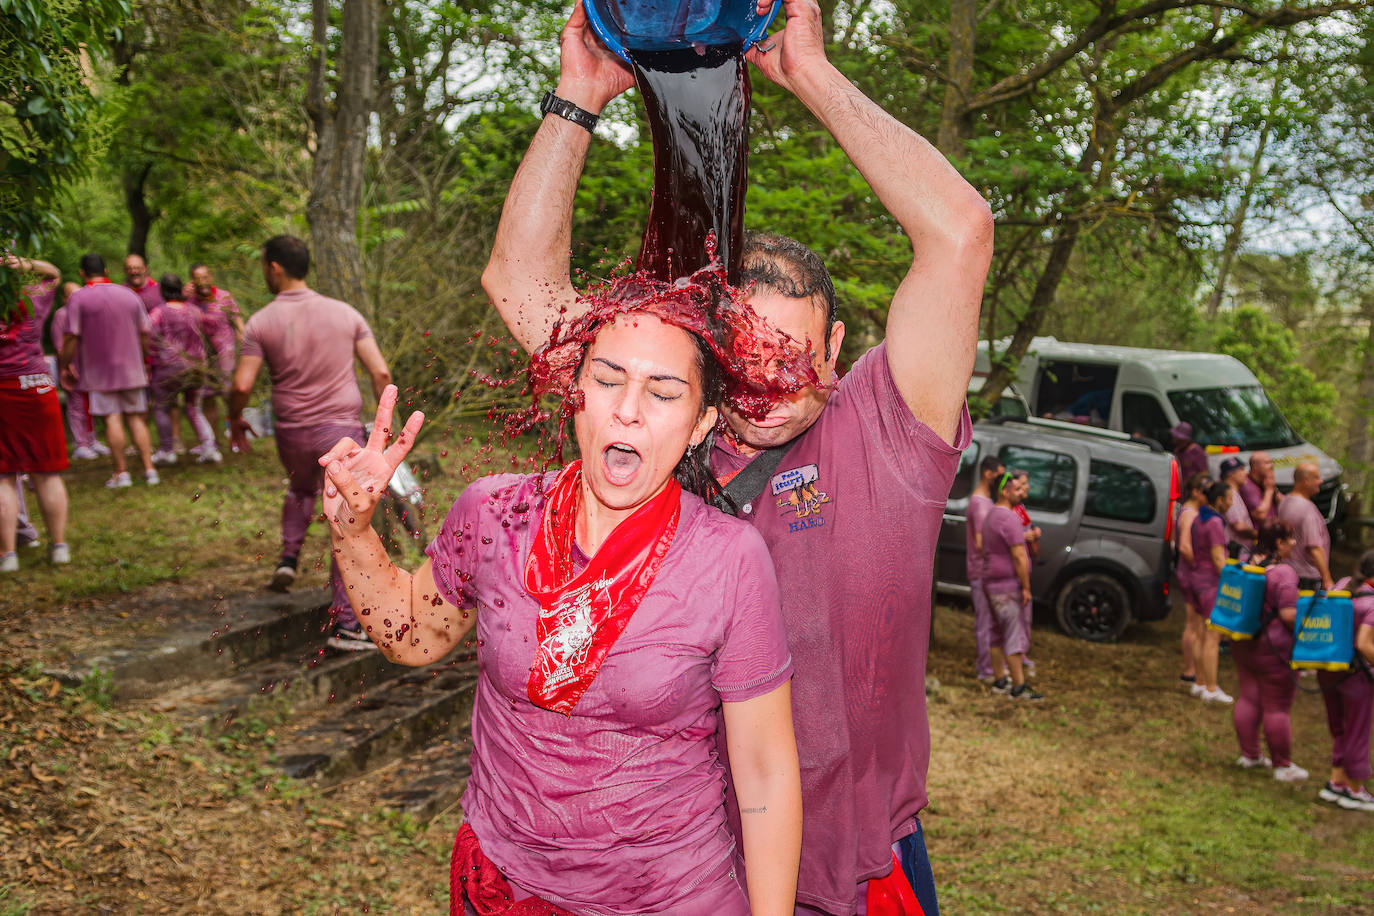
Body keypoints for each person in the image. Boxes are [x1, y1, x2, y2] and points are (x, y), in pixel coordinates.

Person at [480, 0, 994, 908]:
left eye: (791, 358)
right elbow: (517, 281)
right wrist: (578, 95)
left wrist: (810, 75)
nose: (763, 384)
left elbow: (959, 232)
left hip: (863, 868)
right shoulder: (665, 424)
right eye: (741, 359)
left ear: (836, 350)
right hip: (696, 869)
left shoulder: (888, 426)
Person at [321, 285, 805, 912]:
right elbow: (413, 634)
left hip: (670, 896)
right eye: (606, 381)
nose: (628, 410)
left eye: (662, 393)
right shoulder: (497, 512)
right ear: (574, 392)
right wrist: (353, 532)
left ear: (700, 425)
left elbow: (765, 768)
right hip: (501, 885)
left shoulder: (729, 559)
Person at [228, 235, 392, 650]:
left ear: (275, 268)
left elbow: (242, 383)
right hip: (338, 430)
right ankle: (349, 625)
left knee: (301, 489)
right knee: (346, 519)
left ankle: (287, 559)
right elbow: (381, 372)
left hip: (291, 430)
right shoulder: (345, 314)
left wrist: (234, 419)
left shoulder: (261, 321)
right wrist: (380, 420)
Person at [60, 254, 157, 488]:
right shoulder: (129, 295)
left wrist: (64, 363)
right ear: (105, 269)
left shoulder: (78, 298)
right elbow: (145, 333)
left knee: (113, 418)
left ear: (82, 273)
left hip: (99, 372)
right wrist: (145, 359)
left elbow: (72, 335)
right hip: (132, 367)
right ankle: (150, 470)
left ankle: (121, 473)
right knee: (136, 419)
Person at [0, 255, 71, 572]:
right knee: (47, 472)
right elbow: (54, 273)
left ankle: (8, 554)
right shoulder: (33, 295)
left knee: (3, 475)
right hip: (36, 385)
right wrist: (23, 263)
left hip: (2, 390)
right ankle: (59, 546)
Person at [1230, 522, 1306, 781]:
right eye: (1289, 539)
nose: (1293, 543)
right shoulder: (1284, 573)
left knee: (1248, 697)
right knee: (1277, 707)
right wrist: (1309, 631)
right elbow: (1287, 614)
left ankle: (1249, 755)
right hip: (1274, 648)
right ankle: (1282, 766)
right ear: (1278, 543)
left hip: (1244, 641)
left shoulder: (1246, 561)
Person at [1316, 550, 1374, 812]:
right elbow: (1363, 643)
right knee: (1357, 731)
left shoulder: (1343, 585)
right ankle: (1354, 789)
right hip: (1356, 675)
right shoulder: (1372, 602)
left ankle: (1336, 781)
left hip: (1329, 669)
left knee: (1339, 727)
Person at [980, 471, 1044, 700]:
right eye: (1017, 490)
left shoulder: (990, 515)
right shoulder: (1009, 518)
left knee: (996, 631)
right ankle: (1018, 686)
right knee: (1013, 632)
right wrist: (1026, 587)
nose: (1021, 494)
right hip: (1007, 585)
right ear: (1004, 491)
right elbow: (1019, 556)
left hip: (990, 582)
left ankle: (1000, 679)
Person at [148, 274, 220, 465]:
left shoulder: (158, 312)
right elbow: (209, 328)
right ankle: (209, 448)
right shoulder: (194, 310)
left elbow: (148, 335)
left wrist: (150, 360)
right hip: (195, 366)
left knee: (162, 407)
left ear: (162, 291)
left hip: (167, 368)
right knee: (194, 408)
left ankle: (167, 451)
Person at [1181, 481, 1234, 704]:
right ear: (1220, 500)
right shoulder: (1214, 523)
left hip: (1195, 578)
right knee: (1212, 636)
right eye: (1230, 498)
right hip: (1210, 582)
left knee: (1200, 633)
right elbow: (1218, 558)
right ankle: (1211, 688)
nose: (1232, 503)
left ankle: (1200, 682)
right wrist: (1234, 580)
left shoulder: (1198, 518)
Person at [188, 263, 243, 452]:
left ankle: (236, 438)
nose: (202, 282)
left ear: (210, 277)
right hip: (202, 359)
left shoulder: (223, 297)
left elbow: (238, 323)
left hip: (224, 357)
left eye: (205, 277)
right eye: (197, 278)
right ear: (192, 281)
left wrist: (245, 350)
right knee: (208, 400)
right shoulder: (190, 302)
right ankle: (214, 442)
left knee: (229, 399)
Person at [48, 282, 106, 460]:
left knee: (90, 405)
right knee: (76, 406)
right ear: (64, 298)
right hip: (71, 366)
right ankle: (81, 444)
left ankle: (92, 439)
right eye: (72, 295)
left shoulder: (85, 313)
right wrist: (67, 365)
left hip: (88, 366)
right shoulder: (61, 315)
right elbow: (60, 344)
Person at [968, 454, 1004, 682]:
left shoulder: (987, 501)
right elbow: (982, 543)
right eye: (999, 475)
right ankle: (985, 669)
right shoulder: (979, 504)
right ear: (987, 473)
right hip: (981, 571)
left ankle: (991, 666)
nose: (1003, 480)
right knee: (984, 622)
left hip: (988, 571)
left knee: (991, 621)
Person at [1174, 472, 1210, 693]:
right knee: (1193, 624)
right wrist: (1199, 567)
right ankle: (1189, 670)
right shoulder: (1189, 514)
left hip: (1189, 571)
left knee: (1195, 624)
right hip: (1190, 573)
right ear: (1196, 492)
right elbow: (1185, 546)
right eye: (1206, 491)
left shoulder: (1192, 511)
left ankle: (1192, 669)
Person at [1277, 462, 1333, 590]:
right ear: (1305, 481)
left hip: (1289, 572)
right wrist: (1327, 579)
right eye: (1317, 477)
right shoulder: (1307, 509)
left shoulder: (1285, 501)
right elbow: (1314, 547)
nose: (1321, 481)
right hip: (1308, 578)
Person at [1219, 456, 1256, 555]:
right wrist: (1259, 535)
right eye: (1242, 469)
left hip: (1240, 552)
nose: (1246, 473)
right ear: (1231, 474)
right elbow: (1239, 526)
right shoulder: (1229, 495)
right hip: (1237, 555)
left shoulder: (1233, 493)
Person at [1239, 451, 1282, 529]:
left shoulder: (1264, 481)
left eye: (1271, 462)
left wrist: (1273, 489)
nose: (1272, 465)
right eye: (1267, 463)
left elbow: (1282, 502)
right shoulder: (1247, 486)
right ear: (1255, 467)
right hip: (1261, 535)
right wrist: (1269, 490)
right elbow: (1260, 515)